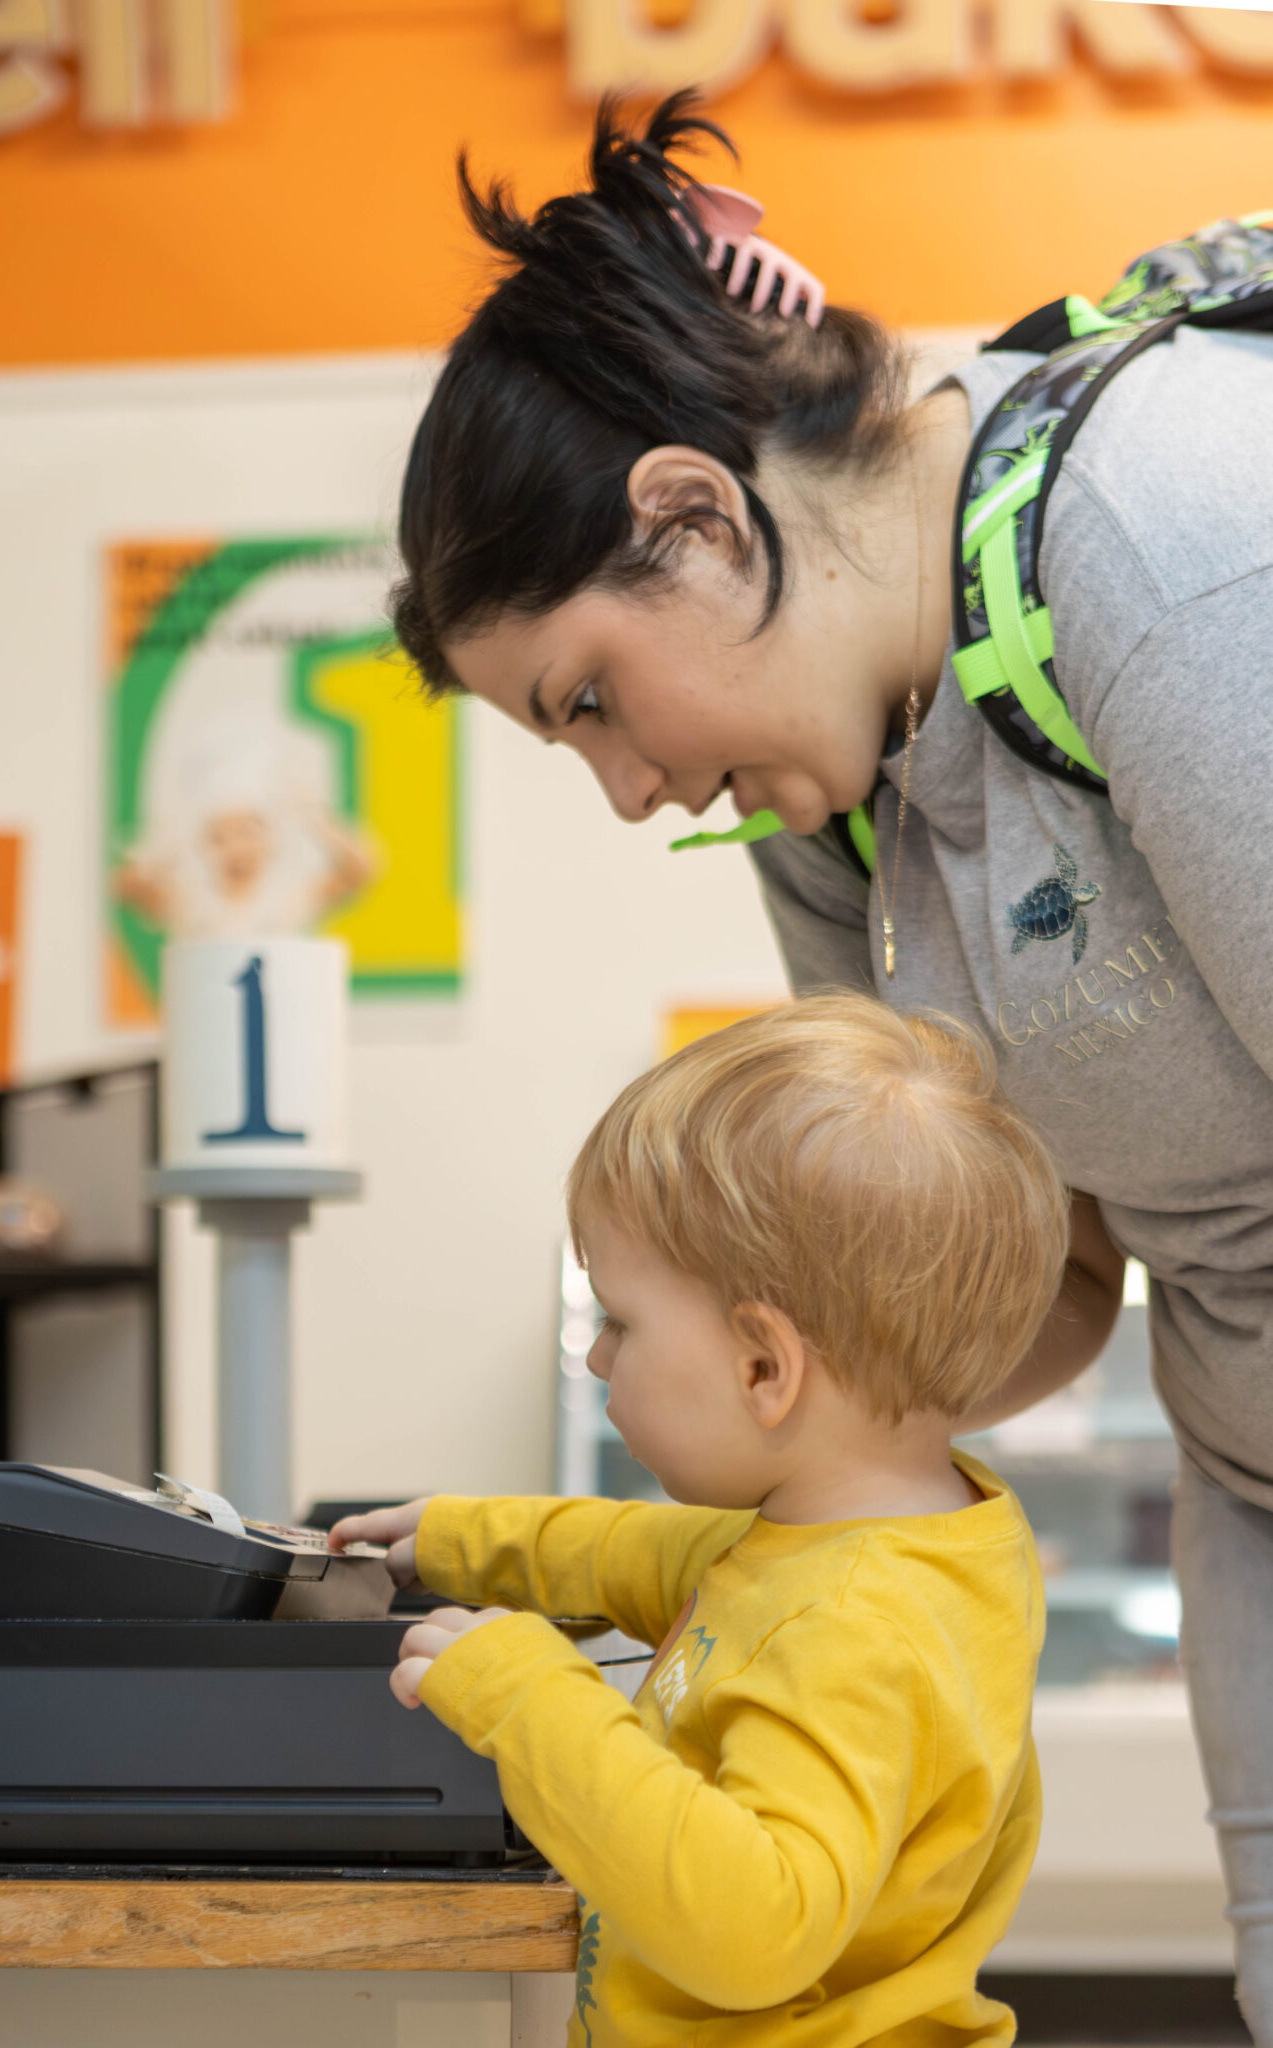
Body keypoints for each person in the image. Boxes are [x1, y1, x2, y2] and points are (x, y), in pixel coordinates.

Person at [388, 93, 1273, 2031]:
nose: (630, 791)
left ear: (696, 515)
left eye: (596, 701)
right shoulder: (834, 802)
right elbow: (1000, 1286)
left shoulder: (1166, 535)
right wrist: (754, 1385)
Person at [334, 995, 1068, 2046]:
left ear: (765, 1366)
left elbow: (752, 1927)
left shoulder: (850, 1628)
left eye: (621, 1323)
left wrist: (531, 1697)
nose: (596, 1359)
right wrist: (461, 1535)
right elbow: (649, 1555)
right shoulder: (881, 1534)